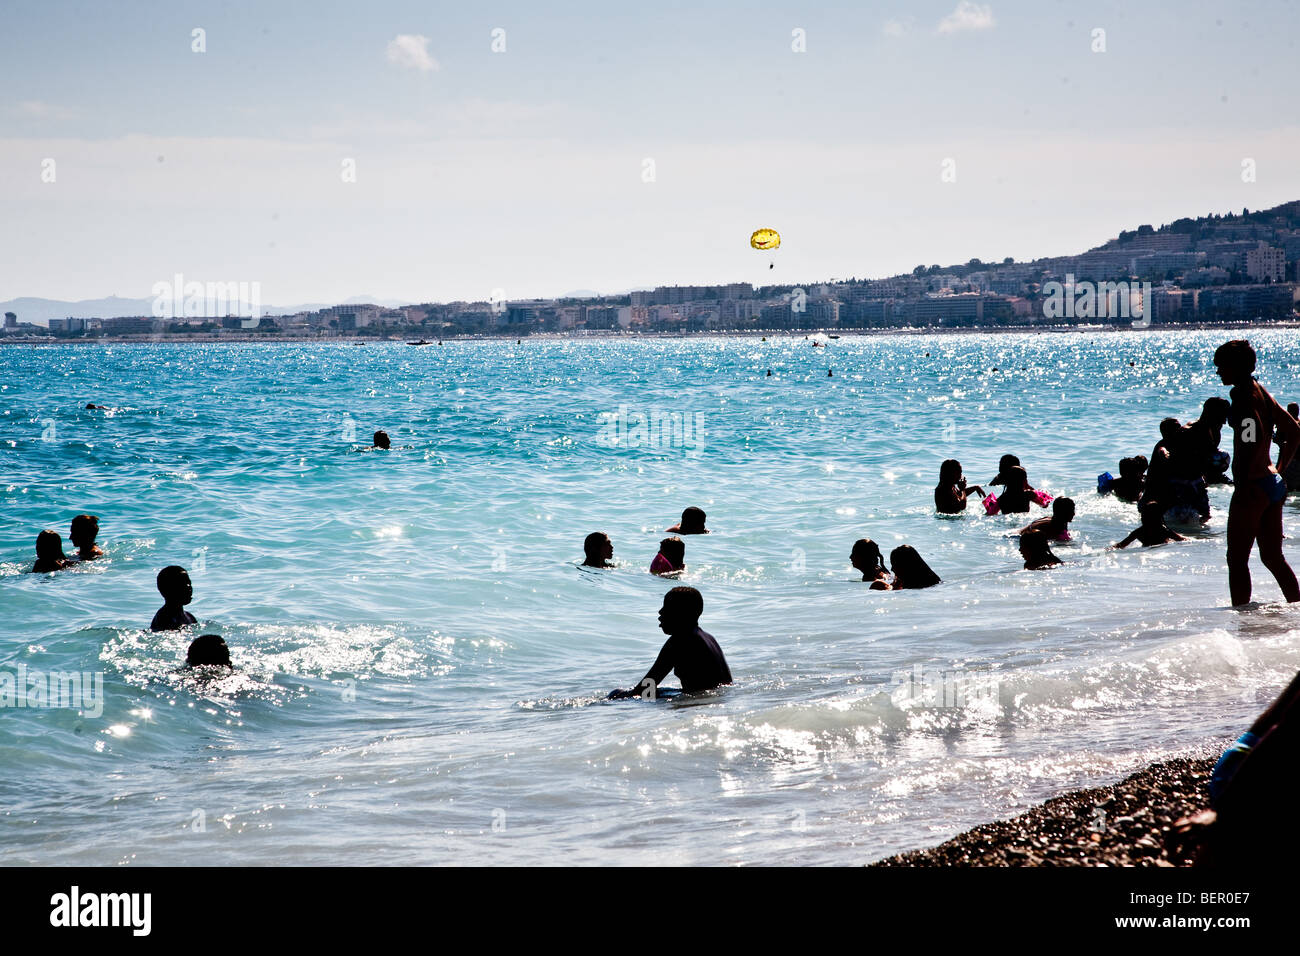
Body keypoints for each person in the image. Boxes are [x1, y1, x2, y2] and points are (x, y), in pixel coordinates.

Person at [1214, 339, 1300, 606]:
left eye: (1221, 366)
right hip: (1272, 483)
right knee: (1273, 557)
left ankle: (1242, 622)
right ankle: (1296, 609)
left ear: (1235, 367)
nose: (1218, 372)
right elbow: (1294, 430)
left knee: (1237, 560)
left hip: (1252, 487)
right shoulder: (1260, 390)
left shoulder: (1242, 397)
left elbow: (1251, 434)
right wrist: (1280, 468)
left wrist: (1247, 476)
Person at [607, 586, 732, 698]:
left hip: (701, 699)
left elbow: (647, 685)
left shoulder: (680, 641)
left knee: (618, 694)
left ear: (681, 614)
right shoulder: (708, 637)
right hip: (719, 697)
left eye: (667, 607)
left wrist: (621, 697)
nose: (660, 612)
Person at [1189, 397, 1233, 485]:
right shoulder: (1197, 429)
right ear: (1214, 412)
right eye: (1224, 411)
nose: (1228, 414)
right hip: (1190, 471)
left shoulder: (1215, 426)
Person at [1113, 502, 1186, 549]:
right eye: (1142, 517)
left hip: (1162, 552)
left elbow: (1183, 540)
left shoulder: (1163, 530)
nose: (1142, 519)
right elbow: (1121, 545)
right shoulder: (1139, 532)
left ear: (1157, 518)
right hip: (1147, 553)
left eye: (1146, 517)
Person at [984, 465, 1049, 515]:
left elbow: (990, 514)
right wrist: (1046, 500)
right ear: (1024, 481)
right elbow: (1044, 505)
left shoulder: (1002, 499)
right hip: (1023, 520)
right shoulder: (1028, 494)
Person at [151, 565, 198, 632]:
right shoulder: (164, 619)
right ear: (167, 590)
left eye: (189, 583)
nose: (188, 587)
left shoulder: (190, 617)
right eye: (182, 584)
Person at [1275, 401, 1300, 492]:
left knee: (1284, 489)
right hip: (1298, 461)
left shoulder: (1285, 424)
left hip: (1288, 461)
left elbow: (1279, 441)